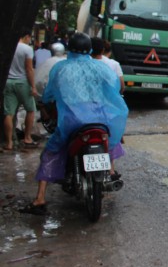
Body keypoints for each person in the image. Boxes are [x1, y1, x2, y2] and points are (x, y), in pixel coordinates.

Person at [20, 32, 128, 215]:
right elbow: (115, 90)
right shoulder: (103, 68)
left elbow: (49, 94)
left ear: (69, 48)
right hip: (102, 118)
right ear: (91, 49)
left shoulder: (61, 68)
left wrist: (44, 102)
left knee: (50, 151)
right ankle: (109, 172)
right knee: (111, 142)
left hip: (73, 120)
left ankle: (40, 199)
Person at [3, 30, 39, 151]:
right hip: (22, 82)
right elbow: (29, 69)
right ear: (27, 36)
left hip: (8, 82)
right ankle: (27, 137)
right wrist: (33, 86)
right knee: (30, 109)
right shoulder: (27, 49)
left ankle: (9, 142)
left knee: (9, 113)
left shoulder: (7, 46)